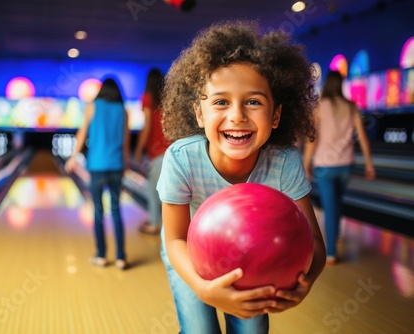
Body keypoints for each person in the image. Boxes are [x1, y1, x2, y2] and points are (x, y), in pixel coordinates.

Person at [156, 20, 327, 333]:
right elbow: (175, 238)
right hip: (189, 251)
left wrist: (306, 282)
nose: (237, 115)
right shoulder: (181, 158)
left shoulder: (284, 161)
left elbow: (314, 241)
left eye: (253, 102)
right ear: (199, 113)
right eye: (221, 101)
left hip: (252, 254)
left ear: (276, 115)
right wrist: (202, 287)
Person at [303, 70, 375, 265]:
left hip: (325, 166)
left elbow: (312, 139)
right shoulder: (351, 107)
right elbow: (363, 137)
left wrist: (306, 163)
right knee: (336, 201)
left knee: (329, 205)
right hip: (346, 165)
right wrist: (369, 164)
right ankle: (337, 234)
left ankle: (332, 252)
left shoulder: (318, 107)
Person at [65, 77, 130, 270]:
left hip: (97, 166)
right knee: (116, 211)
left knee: (98, 211)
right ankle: (121, 258)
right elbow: (126, 142)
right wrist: (125, 164)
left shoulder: (93, 106)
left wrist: (73, 156)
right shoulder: (123, 111)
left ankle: (101, 255)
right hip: (116, 165)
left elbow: (83, 132)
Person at [133, 68, 170, 235]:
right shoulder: (168, 98)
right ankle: (171, 225)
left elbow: (147, 126)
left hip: (156, 152)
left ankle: (155, 224)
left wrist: (139, 149)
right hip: (171, 150)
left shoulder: (148, 98)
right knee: (170, 191)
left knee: (154, 190)